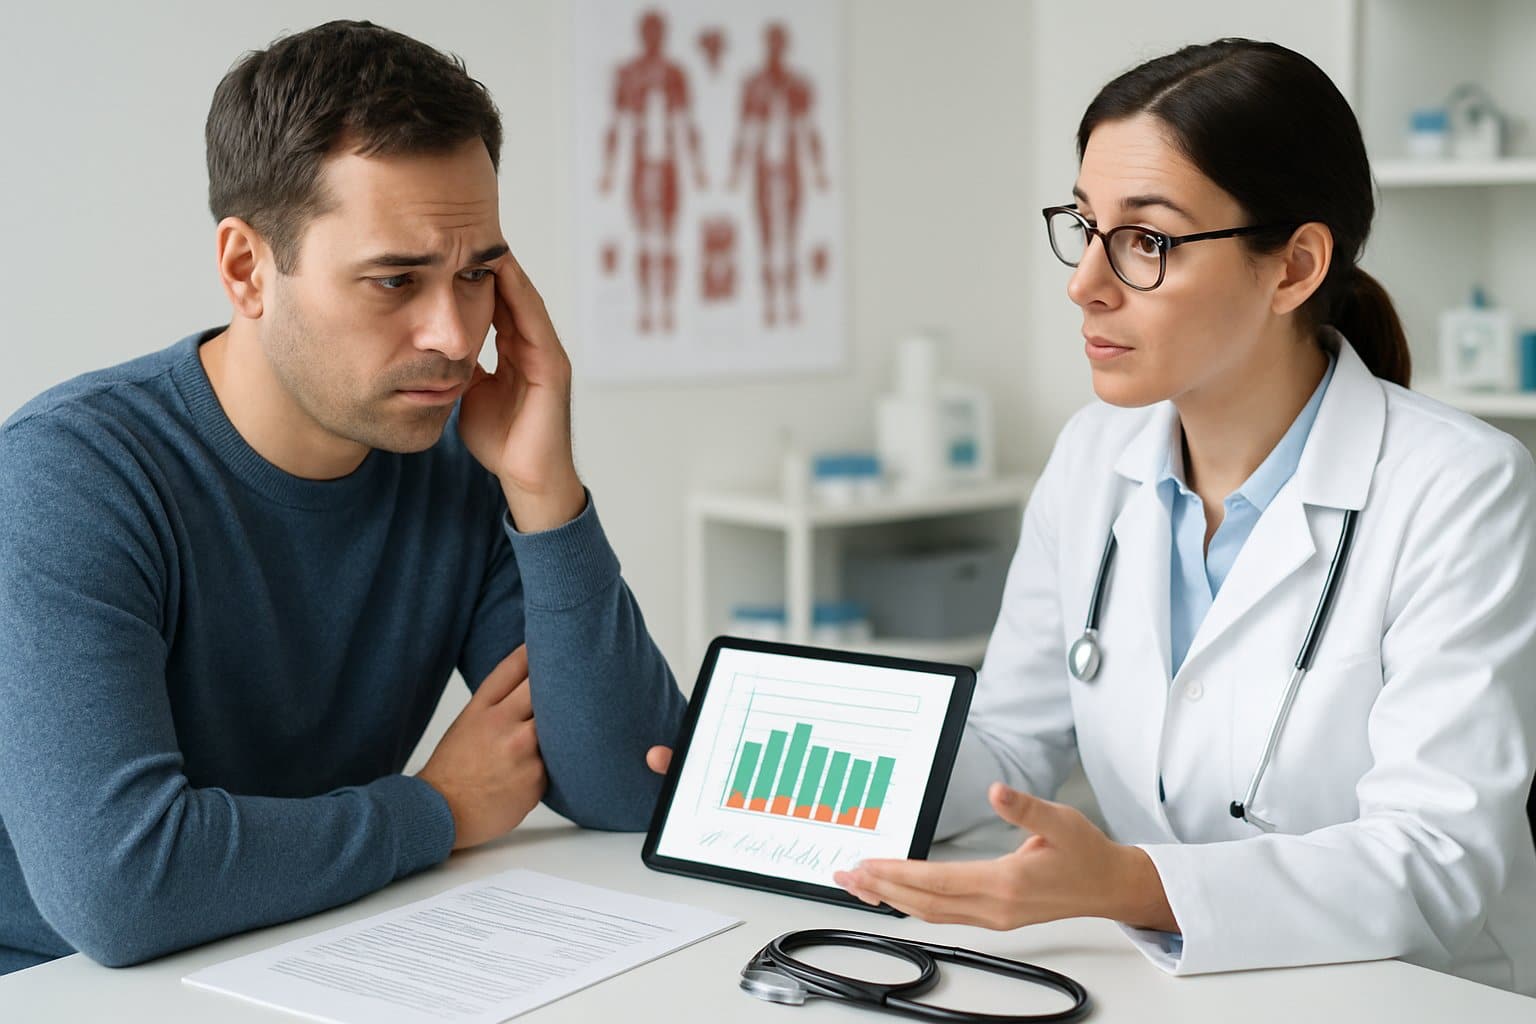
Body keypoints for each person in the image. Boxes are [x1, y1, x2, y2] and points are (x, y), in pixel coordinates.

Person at [660, 39, 1536, 992]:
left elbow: (1439, 861)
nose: (1086, 282)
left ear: (1292, 268)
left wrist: (1127, 882)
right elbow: (1010, 744)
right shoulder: (1093, 455)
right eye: (1085, 226)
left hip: (1410, 994)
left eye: (1146, 241)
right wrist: (798, 785)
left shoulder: (1461, 488)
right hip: (1169, 987)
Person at [0, 20, 685, 975]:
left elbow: (638, 784)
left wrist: (544, 489)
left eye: (477, 273)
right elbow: (120, 890)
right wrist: (436, 811)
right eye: (394, 280)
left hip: (321, 950)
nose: (452, 334)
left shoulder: (457, 459)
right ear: (247, 269)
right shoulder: (70, 475)